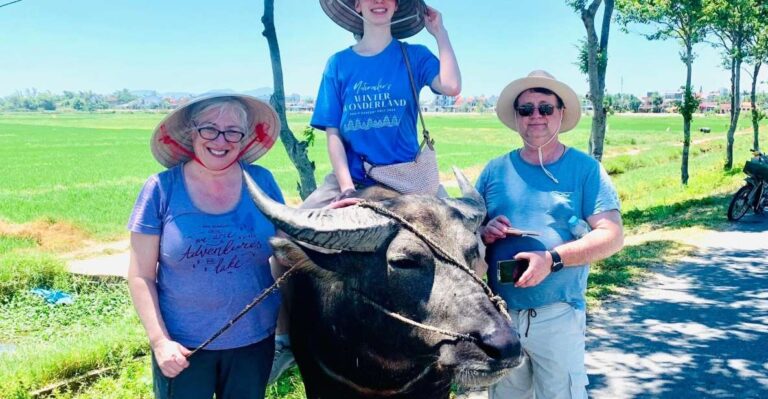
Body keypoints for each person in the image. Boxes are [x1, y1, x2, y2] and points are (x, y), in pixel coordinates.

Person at [267, 0, 462, 383]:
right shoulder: (338, 64)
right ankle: (286, 338)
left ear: (395, 6)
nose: (378, 1)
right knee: (284, 244)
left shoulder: (413, 55)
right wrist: (345, 188)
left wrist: (439, 31)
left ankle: (467, 339)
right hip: (352, 178)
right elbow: (334, 134)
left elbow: (452, 86)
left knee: (468, 246)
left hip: (410, 183)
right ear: (356, 5)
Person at [475, 70, 624, 399]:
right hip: (500, 317)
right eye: (526, 110)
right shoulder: (493, 171)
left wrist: (552, 259)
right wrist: (484, 233)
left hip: (558, 315)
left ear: (562, 113)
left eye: (545, 108)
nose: (536, 116)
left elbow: (612, 235)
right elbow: (465, 236)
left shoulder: (585, 170)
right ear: (516, 117)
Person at [127, 94, 284, 399]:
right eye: (209, 129)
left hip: (254, 343)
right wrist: (160, 342)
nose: (220, 140)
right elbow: (140, 276)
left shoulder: (262, 182)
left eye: (232, 131)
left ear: (243, 138)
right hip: (182, 348)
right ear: (192, 132)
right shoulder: (161, 189)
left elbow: (286, 254)